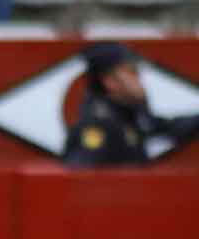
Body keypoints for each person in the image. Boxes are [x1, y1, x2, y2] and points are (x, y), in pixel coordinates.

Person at [60, 40, 199, 168]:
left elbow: (168, 127)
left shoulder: (131, 114)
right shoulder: (99, 125)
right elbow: (81, 180)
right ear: (110, 82)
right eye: (132, 73)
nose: (140, 81)